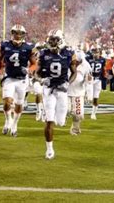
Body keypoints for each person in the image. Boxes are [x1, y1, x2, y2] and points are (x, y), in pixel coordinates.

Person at [36, 30, 77, 159]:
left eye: (55, 40)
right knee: (50, 120)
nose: (52, 42)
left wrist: (68, 83)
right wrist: (42, 80)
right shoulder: (43, 54)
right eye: (51, 40)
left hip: (62, 90)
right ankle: (49, 149)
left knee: (60, 122)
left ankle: (60, 116)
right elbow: (35, 73)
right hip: (49, 90)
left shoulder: (69, 53)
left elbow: (74, 72)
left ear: (60, 40)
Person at [0, 25, 36, 137]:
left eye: (20, 33)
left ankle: (15, 124)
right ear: (12, 33)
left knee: (19, 105)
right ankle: (8, 120)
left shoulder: (29, 48)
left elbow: (34, 64)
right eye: (15, 33)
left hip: (22, 80)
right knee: (7, 102)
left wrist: (29, 70)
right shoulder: (5, 45)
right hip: (9, 78)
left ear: (23, 35)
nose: (18, 35)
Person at [68, 50, 92, 135]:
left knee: (78, 113)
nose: (77, 62)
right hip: (65, 91)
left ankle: (75, 129)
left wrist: (89, 92)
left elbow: (89, 80)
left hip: (78, 92)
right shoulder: (66, 62)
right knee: (66, 111)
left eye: (78, 61)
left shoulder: (86, 66)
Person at [85, 46, 107, 120]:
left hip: (98, 80)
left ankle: (93, 114)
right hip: (89, 79)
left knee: (95, 99)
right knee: (89, 98)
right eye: (94, 52)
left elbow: (103, 70)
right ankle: (85, 96)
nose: (95, 54)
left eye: (97, 52)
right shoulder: (88, 59)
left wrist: (105, 76)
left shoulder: (103, 60)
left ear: (99, 53)